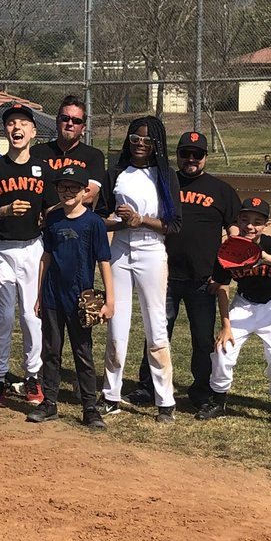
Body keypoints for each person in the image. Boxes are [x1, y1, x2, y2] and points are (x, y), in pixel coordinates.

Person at [126, 131, 239, 410]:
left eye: (196, 154)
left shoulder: (221, 190)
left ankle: (201, 390)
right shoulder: (165, 183)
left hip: (204, 278)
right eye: (185, 153)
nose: (190, 159)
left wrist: (224, 273)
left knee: (202, 338)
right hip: (164, 274)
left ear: (205, 158)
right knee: (157, 332)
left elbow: (234, 233)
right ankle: (148, 386)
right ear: (176, 156)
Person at [97, 115, 182, 423]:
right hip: (120, 246)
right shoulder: (116, 172)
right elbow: (98, 217)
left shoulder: (165, 175)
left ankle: (165, 400)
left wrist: (140, 220)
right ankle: (110, 394)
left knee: (156, 325)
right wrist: (119, 222)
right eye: (135, 139)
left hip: (151, 248)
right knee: (116, 323)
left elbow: (173, 224)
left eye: (148, 140)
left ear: (157, 144)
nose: (141, 145)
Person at [200, 198, 271, 428]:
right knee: (222, 349)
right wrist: (226, 326)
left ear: (265, 225)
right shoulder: (228, 249)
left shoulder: (270, 245)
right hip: (244, 303)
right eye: (245, 220)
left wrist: (265, 257)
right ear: (237, 220)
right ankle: (219, 400)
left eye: (257, 222)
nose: (250, 226)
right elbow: (221, 286)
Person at [30, 165, 112, 429]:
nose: (67, 192)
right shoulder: (53, 220)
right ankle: (49, 403)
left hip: (80, 298)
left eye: (73, 187)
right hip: (53, 295)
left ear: (84, 191)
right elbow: (46, 257)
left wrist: (110, 300)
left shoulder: (93, 223)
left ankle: (90, 408)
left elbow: (104, 261)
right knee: (51, 350)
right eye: (63, 187)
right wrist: (39, 294)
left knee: (83, 352)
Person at [0, 103, 47, 407]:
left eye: (22, 123)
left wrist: (48, 214)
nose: (16, 128)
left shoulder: (43, 168)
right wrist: (3, 211)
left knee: (32, 316)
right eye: (10, 124)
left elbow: (53, 205)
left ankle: (33, 377)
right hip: (2, 248)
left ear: (33, 131)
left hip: (33, 247)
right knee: (2, 317)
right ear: (5, 131)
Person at [32, 94, 105, 209]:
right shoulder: (36, 152)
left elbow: (89, 195)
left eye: (76, 121)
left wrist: (52, 211)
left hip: (77, 223)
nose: (70, 124)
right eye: (65, 118)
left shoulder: (94, 156)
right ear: (57, 121)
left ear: (83, 128)